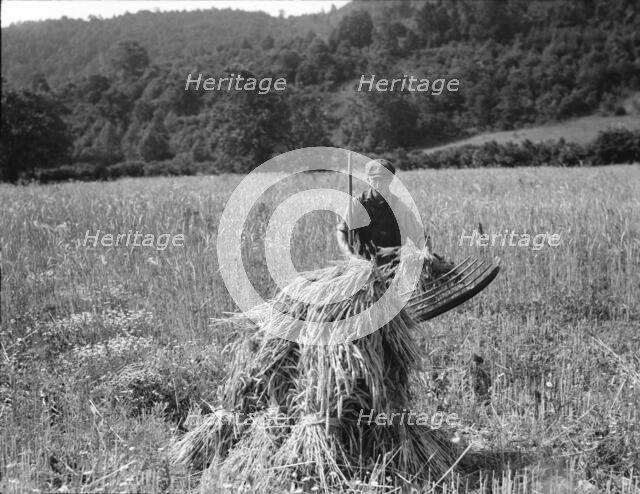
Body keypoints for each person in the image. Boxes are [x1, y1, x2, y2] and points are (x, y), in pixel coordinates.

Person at [336, 159, 425, 265]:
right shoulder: (358, 203)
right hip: (362, 266)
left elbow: (420, 236)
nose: (378, 184)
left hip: (393, 267)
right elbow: (342, 231)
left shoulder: (399, 206)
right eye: (375, 179)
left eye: (383, 179)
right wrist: (350, 255)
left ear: (390, 180)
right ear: (368, 179)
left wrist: (426, 254)